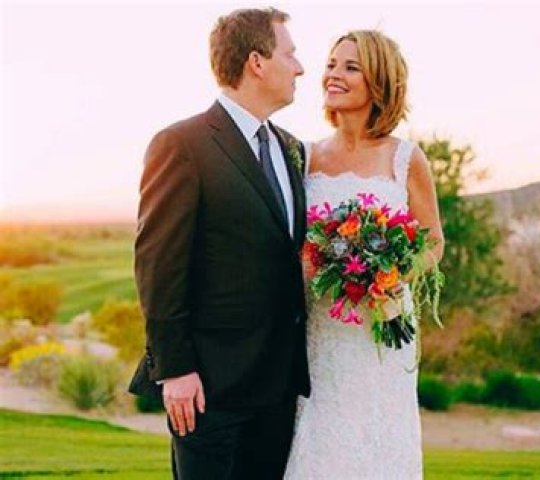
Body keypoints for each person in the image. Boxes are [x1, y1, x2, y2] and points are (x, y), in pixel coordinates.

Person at [128, 8, 310, 479]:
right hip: (208, 389)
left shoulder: (291, 148)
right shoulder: (182, 144)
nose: (300, 68)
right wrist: (175, 369)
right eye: (290, 54)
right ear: (257, 62)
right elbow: (158, 265)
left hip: (277, 390)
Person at [284, 30, 444, 479]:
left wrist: (389, 275)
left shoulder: (406, 158)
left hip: (381, 331)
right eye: (331, 64)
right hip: (321, 330)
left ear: (379, 81)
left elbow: (433, 243)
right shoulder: (304, 156)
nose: (333, 74)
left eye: (350, 67)